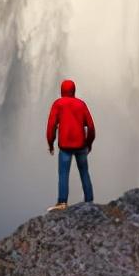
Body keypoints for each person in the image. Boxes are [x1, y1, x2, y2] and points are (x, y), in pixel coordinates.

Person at [45, 78, 96, 211]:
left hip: (65, 147)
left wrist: (50, 143)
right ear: (74, 90)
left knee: (63, 174)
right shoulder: (81, 104)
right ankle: (89, 201)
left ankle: (62, 202)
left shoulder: (58, 104)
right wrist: (89, 143)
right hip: (81, 145)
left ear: (62, 91)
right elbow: (90, 126)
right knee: (84, 172)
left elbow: (51, 126)